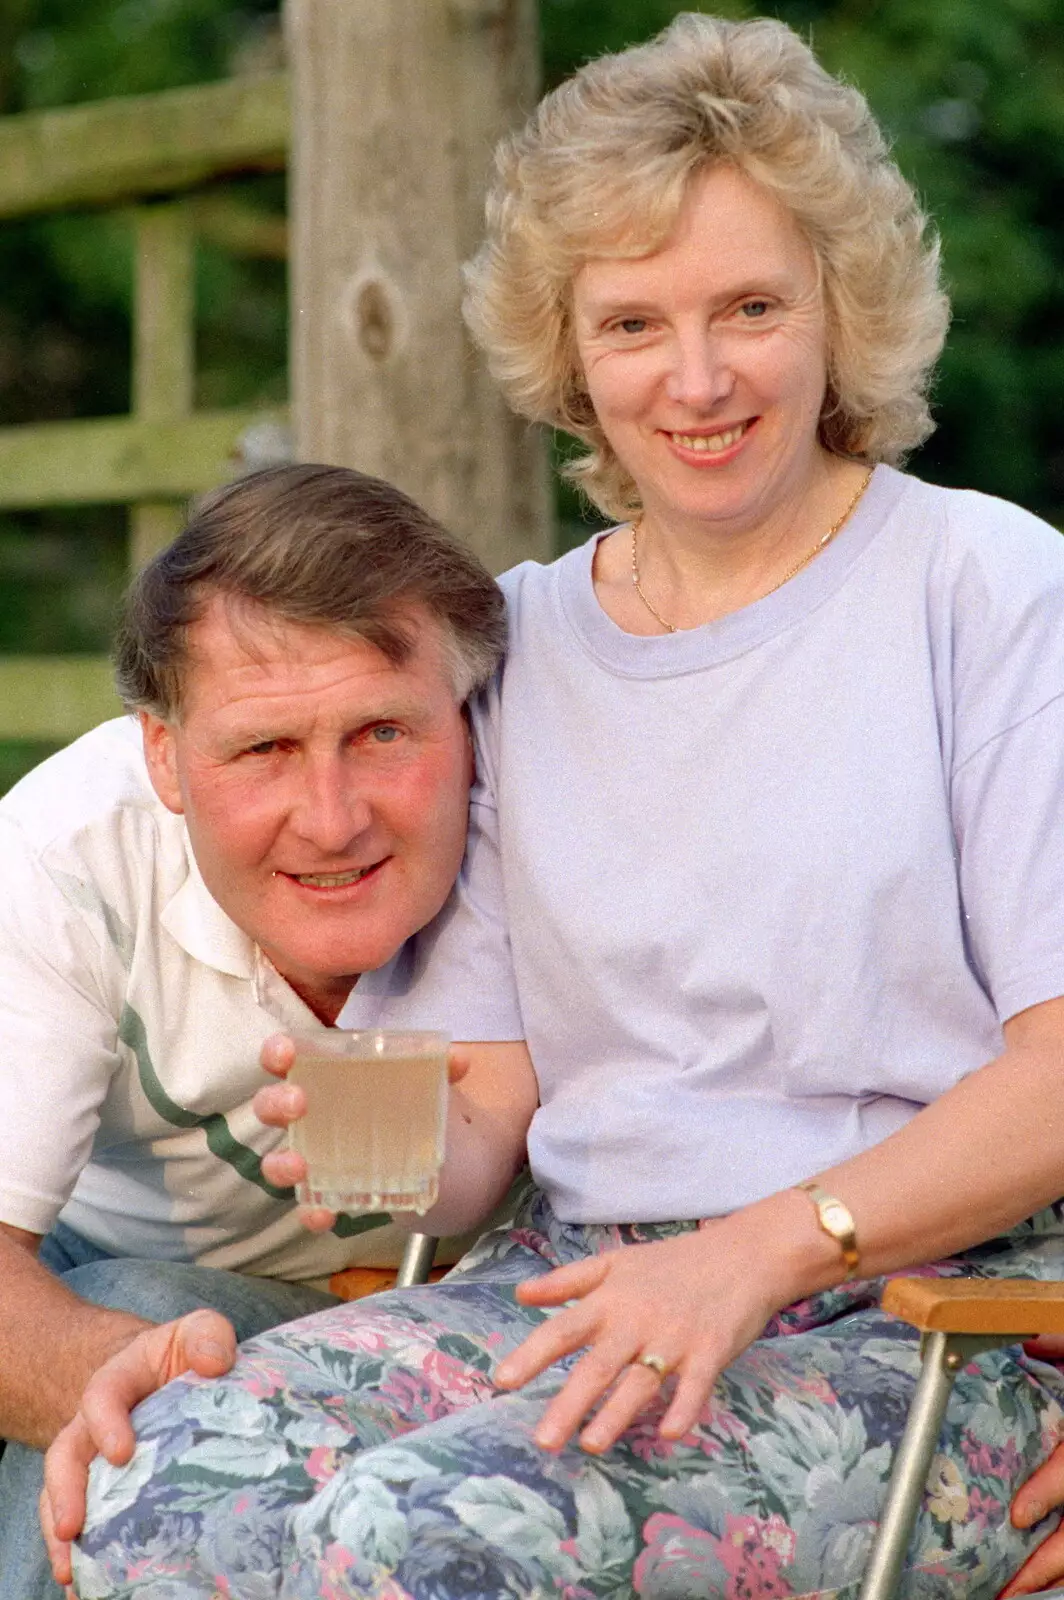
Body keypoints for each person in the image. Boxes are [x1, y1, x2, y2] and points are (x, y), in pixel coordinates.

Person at [58, 14, 1064, 1598]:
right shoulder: (522, 645)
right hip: (577, 1280)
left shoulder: (987, 589)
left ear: (842, 312)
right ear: (568, 355)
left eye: (751, 307)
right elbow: (487, 1124)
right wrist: (368, 1151)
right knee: (162, 1488)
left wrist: (759, 1250)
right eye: (634, 324)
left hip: (931, 1310)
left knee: (420, 1543)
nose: (700, 376)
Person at [0, 461, 506, 1600]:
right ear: (165, 758)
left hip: (433, 1317)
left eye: (380, 732)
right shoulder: (61, 858)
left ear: (468, 715)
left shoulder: (552, 835)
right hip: (82, 1274)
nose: (331, 821)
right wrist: (153, 1374)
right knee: (131, 1333)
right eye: (264, 749)